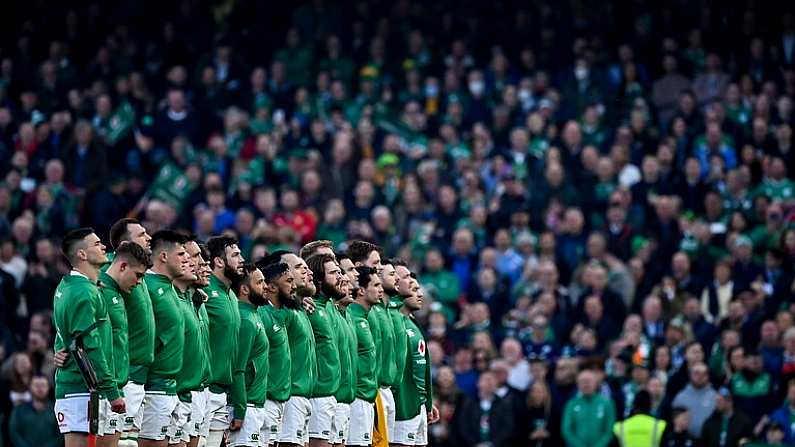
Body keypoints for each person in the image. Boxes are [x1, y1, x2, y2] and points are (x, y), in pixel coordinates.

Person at [53, 228, 124, 447]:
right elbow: (89, 346)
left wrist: (59, 350)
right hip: (80, 389)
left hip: (76, 386)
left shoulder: (67, 285)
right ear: (82, 254)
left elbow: (66, 335)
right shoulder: (84, 292)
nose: (103, 247)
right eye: (96, 244)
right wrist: (112, 391)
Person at [107, 218, 155, 447]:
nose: (149, 238)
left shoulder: (140, 272)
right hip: (124, 372)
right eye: (142, 234)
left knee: (130, 441)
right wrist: (63, 346)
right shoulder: (112, 272)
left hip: (140, 374)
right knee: (123, 442)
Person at [139, 230, 189, 447]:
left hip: (173, 386)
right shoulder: (145, 286)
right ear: (163, 256)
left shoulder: (171, 288)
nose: (186, 259)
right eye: (181, 254)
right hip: (154, 385)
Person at [97, 241, 149, 447]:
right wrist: (62, 347)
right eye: (138, 275)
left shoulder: (116, 292)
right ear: (123, 266)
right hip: (102, 390)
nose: (139, 282)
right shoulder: (98, 290)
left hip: (118, 386)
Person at [269, 250, 318, 447]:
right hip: (289, 396)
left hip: (304, 395)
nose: (306, 271)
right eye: (298, 267)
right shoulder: (280, 311)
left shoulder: (300, 308)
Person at [169, 238, 211, 447]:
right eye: (195, 256)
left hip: (199, 391)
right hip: (174, 392)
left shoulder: (197, 299)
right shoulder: (167, 297)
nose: (202, 263)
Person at [392, 277, 440, 447]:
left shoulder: (413, 322)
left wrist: (427, 401)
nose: (420, 294)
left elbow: (422, 366)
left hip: (418, 405)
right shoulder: (393, 320)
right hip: (403, 405)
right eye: (413, 289)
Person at [228, 264, 271, 447]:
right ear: (245, 289)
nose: (266, 286)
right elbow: (237, 368)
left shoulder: (254, 313)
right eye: (260, 282)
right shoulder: (245, 320)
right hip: (246, 406)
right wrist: (239, 409)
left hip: (255, 405)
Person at [305, 253, 345, 447]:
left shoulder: (330, 307)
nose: (341, 277)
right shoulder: (309, 309)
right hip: (317, 396)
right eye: (334, 273)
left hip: (333, 395)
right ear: (319, 279)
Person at [256, 258, 296, 447]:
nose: (293, 286)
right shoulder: (262, 314)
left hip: (281, 400)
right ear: (271, 287)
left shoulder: (284, 313)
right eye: (289, 281)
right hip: (266, 400)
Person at [347, 266, 382, 446]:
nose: (381, 290)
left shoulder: (365, 318)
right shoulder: (351, 317)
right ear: (361, 290)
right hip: (357, 396)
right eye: (376, 285)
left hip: (368, 397)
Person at [328, 253, 357, 447]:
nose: (346, 278)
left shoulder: (347, 315)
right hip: (329, 398)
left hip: (348, 398)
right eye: (337, 272)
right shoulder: (320, 309)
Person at [561, 369, 616, 447]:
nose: (586, 384)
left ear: (596, 383)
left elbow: (609, 430)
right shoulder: (571, 404)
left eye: (589, 381)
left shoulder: (607, 403)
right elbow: (566, 430)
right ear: (577, 384)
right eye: (583, 381)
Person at [9, 375, 62, 447]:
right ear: (29, 387)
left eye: (43, 385)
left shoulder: (56, 410)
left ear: (49, 387)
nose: (40, 388)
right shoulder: (19, 411)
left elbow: (60, 436)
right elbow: (14, 433)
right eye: (36, 385)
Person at [671, 362, 717, 439]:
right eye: (697, 373)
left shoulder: (715, 397)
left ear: (708, 376)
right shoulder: (680, 397)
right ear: (690, 375)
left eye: (704, 374)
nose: (700, 377)